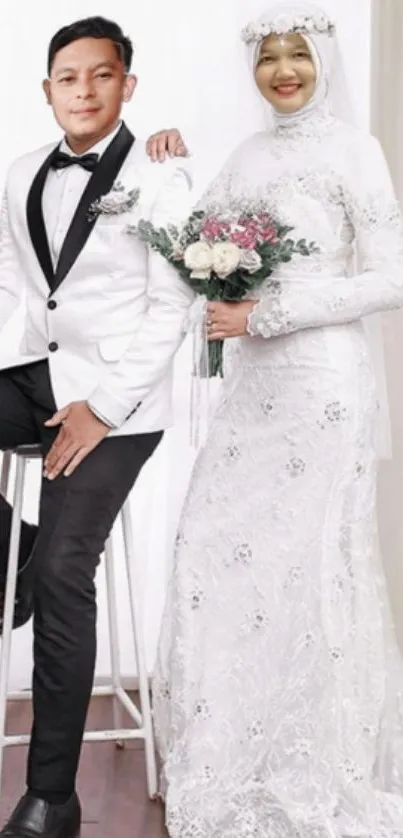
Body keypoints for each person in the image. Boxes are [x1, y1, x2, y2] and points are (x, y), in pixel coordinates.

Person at [147, 3, 403, 837]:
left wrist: (268, 312)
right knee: (216, 554)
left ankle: (313, 765)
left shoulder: (353, 151)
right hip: (251, 393)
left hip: (322, 387)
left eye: (298, 53)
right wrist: (170, 171)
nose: (283, 69)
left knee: (307, 567)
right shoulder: (249, 153)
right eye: (268, 56)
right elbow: (193, 251)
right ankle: (234, 755)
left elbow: (390, 276)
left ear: (323, 60)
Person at [0, 15, 193, 838]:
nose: (83, 90)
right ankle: (12, 560)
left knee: (64, 575)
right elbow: (17, 284)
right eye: (67, 77)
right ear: (47, 90)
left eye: (100, 75)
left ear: (127, 85)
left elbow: (173, 305)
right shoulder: (17, 174)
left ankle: (52, 796)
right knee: (37, 568)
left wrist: (102, 406)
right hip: (42, 375)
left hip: (122, 404)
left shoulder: (160, 177)